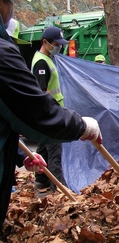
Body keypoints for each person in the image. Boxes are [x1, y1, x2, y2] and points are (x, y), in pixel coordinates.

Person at [0, 0, 102, 239]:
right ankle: (58, 194)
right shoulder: (33, 63)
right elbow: (34, 109)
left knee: (43, 158)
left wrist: (19, 155)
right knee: (54, 157)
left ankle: (46, 187)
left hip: (51, 119)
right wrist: (81, 125)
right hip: (51, 121)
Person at [31, 26, 70, 191]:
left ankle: (41, 181)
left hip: (51, 113)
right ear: (45, 42)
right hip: (50, 115)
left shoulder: (46, 58)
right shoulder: (41, 62)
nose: (59, 47)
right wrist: (52, 116)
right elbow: (41, 92)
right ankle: (60, 191)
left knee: (43, 149)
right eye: (56, 44)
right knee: (55, 155)